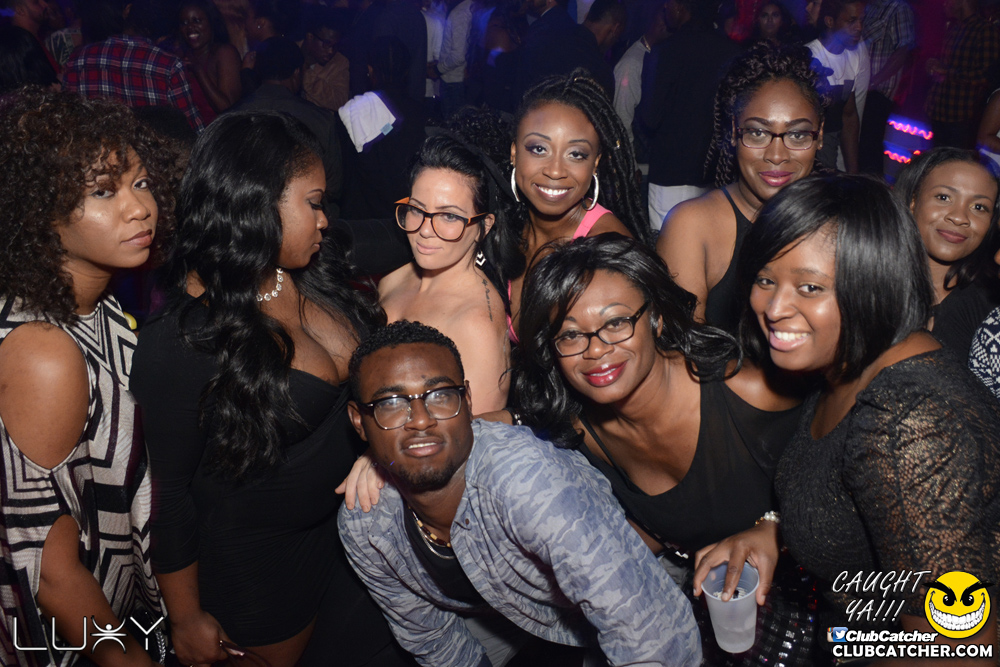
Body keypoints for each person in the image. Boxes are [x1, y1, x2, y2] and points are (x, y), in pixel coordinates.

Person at [130, 111, 409, 667]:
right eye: (313, 203)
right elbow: (168, 496)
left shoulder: (311, 264)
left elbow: (405, 235)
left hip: (344, 540)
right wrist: (184, 617)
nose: (325, 220)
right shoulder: (185, 337)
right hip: (259, 572)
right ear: (257, 204)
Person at [511, 234, 816, 664]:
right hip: (717, 625)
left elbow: (846, 475)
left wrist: (775, 528)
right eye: (571, 334)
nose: (596, 350)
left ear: (654, 317)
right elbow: (656, 529)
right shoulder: (579, 432)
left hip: (825, 606)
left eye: (616, 323)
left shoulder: (747, 390)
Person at [732, 173, 1000, 661]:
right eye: (765, 279)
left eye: (809, 287)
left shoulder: (909, 424)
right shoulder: (853, 357)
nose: (773, 308)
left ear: (873, 284)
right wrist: (775, 528)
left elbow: (958, 650)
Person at [339, 320, 703, 667]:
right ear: (359, 421)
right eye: (390, 403)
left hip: (634, 584)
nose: (421, 419)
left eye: (441, 395)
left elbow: (652, 635)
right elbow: (431, 637)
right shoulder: (366, 524)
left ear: (467, 400)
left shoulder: (523, 478)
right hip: (507, 612)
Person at [0, 88, 181, 666]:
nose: (139, 208)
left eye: (142, 182)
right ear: (40, 211)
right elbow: (50, 574)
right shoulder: (44, 352)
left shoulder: (96, 305)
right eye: (103, 191)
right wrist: (126, 657)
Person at [657, 43, 823, 333]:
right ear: (734, 133)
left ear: (819, 137)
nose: (776, 155)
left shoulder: (837, 223)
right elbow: (681, 351)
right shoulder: (692, 225)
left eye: (797, 135)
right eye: (757, 132)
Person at [492, 70, 651, 339]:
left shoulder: (608, 252)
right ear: (514, 153)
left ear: (595, 163)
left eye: (576, 154)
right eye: (539, 149)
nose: (555, 171)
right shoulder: (505, 222)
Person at [379, 133, 512, 413]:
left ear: (485, 226)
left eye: (449, 216)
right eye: (417, 210)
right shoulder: (392, 280)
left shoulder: (477, 326)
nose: (425, 230)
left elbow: (480, 432)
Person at [635, 0, 742, 229]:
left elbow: (650, 118)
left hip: (671, 172)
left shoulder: (666, 51)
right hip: (717, 175)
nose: (665, 9)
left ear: (679, 6)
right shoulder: (732, 52)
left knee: (667, 245)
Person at [894, 147, 1000, 358]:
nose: (959, 217)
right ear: (913, 200)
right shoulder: (862, 285)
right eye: (944, 197)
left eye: (979, 207)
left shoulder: (991, 311)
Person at [64, 0, 205, 132]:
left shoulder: (78, 61)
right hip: (154, 150)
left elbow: (69, 121)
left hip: (98, 149)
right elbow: (193, 130)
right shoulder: (168, 65)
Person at [926, 0, 1000, 150]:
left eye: (948, 1)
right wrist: (934, 65)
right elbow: (948, 67)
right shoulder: (954, 28)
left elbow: (986, 77)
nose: (944, 4)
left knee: (955, 160)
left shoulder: (985, 31)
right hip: (938, 109)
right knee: (936, 159)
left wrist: (947, 72)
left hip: (962, 116)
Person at [806, 0, 870, 173]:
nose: (859, 27)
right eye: (851, 21)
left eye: (861, 21)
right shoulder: (808, 57)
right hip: (808, 161)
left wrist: (853, 173)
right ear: (830, 21)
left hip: (829, 161)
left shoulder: (853, 58)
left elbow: (849, 116)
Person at [176, 0, 242, 119]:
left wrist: (199, 71)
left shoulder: (224, 53)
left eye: (197, 21)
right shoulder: (181, 56)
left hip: (219, 130)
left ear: (211, 22)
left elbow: (228, 109)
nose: (190, 27)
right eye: (184, 23)